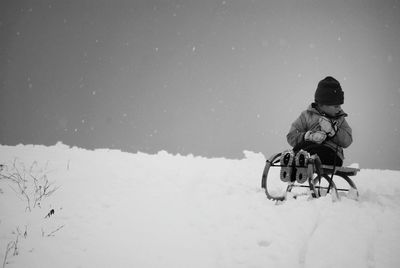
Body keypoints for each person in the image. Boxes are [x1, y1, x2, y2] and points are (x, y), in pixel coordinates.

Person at [286, 76, 353, 170]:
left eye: (340, 105)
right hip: (308, 148)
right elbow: (291, 136)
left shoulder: (339, 119)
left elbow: (347, 141)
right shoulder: (307, 115)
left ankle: (302, 160)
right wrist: (308, 136)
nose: (339, 108)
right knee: (301, 148)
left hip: (331, 153)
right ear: (321, 104)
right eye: (336, 106)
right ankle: (295, 161)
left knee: (318, 152)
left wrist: (333, 131)